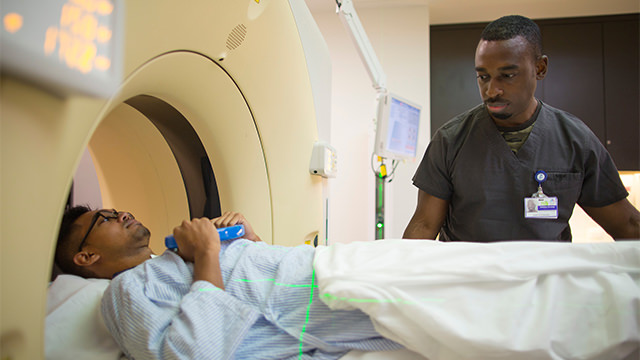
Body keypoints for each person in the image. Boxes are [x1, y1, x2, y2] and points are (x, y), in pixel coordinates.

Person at [404, 15, 640, 242]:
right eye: (483, 77)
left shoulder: (575, 140)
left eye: (507, 75)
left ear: (540, 68)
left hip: (545, 278)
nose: (491, 90)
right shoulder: (450, 141)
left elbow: (627, 224)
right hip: (471, 278)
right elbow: (423, 225)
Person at [54, 206, 403, 359]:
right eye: (106, 219)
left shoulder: (172, 259)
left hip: (327, 270)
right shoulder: (124, 292)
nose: (122, 213)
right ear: (86, 257)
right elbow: (193, 354)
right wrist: (206, 251)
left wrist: (251, 241)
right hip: (327, 299)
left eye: (117, 210)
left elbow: (254, 283)